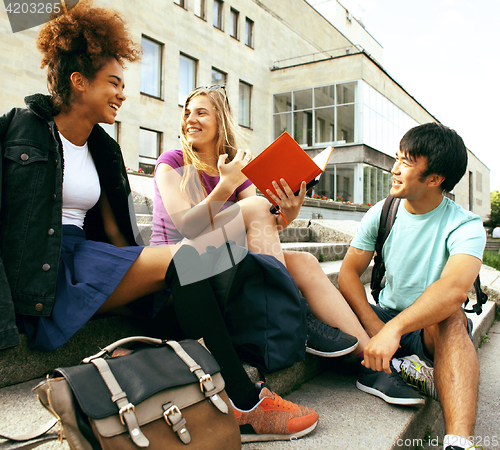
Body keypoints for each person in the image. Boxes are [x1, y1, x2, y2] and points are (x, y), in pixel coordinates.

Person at [152, 85, 376, 441]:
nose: (190, 120)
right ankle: (294, 316)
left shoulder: (236, 169)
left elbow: (260, 227)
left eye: (201, 112)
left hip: (222, 264)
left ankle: (372, 356)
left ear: (221, 120)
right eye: (187, 112)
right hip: (181, 272)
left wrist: (288, 211)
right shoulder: (172, 163)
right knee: (256, 208)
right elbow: (187, 227)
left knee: (302, 259)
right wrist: (227, 187)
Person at [0, 3, 177, 353]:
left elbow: (115, 232)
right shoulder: (19, 127)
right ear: (78, 82)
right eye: (114, 83)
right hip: (42, 268)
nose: (123, 94)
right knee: (195, 259)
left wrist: (147, 277)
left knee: (203, 262)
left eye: (124, 85)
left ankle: (200, 367)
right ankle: (240, 393)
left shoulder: (105, 150)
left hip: (86, 257)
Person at [338, 123, 486, 450]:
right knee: (320, 295)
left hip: (427, 327)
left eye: (406, 162)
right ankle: (401, 367)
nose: (394, 169)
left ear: (434, 179)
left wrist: (394, 330)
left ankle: (459, 443)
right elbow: (348, 273)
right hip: (385, 313)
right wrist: (376, 323)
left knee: (451, 317)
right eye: (396, 158)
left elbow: (453, 290)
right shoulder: (383, 212)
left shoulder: (465, 226)